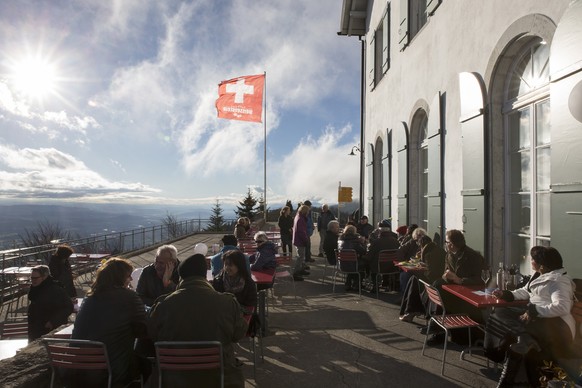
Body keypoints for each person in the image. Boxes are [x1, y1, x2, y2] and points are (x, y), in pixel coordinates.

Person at [148, 254, 248, 388]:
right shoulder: (227, 303)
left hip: (171, 379)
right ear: (204, 276)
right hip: (221, 379)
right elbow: (238, 334)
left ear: (181, 277)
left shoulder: (163, 305)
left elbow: (153, 336)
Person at [485, 246, 575, 387]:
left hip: (556, 325)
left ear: (542, 264)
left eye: (532, 259)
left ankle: (505, 383)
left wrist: (534, 311)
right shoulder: (540, 274)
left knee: (519, 341)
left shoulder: (558, 281)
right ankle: (519, 340)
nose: (529, 260)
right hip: (537, 319)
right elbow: (526, 291)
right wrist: (507, 294)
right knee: (499, 312)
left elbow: (562, 307)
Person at [72, 258, 149, 387]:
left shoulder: (89, 297)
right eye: (128, 276)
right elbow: (143, 329)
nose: (131, 279)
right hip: (111, 370)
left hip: (77, 369)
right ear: (120, 277)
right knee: (146, 366)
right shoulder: (129, 297)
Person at [399, 235, 446, 322]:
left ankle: (410, 311)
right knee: (414, 279)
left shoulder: (428, 254)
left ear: (421, 244)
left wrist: (422, 269)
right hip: (439, 278)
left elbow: (431, 273)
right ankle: (411, 310)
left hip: (435, 281)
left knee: (414, 280)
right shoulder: (437, 250)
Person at [27, 265, 74, 341]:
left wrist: (52, 321)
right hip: (35, 328)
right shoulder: (35, 288)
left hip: (49, 329)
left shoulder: (55, 289)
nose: (33, 280)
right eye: (32, 278)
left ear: (44, 276)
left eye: (36, 278)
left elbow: (68, 307)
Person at [367, 219, 400, 291]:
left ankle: (375, 285)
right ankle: (389, 284)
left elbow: (369, 256)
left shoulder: (376, 242)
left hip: (379, 267)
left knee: (371, 263)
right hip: (393, 266)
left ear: (380, 230)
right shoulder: (396, 240)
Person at [338, 224, 367, 291]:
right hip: (353, 265)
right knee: (362, 265)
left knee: (352, 264)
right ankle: (357, 284)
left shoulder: (341, 241)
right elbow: (363, 251)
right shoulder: (355, 242)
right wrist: (363, 243)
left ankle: (348, 284)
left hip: (343, 265)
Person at [292, 204, 310, 281]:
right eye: (308, 211)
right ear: (305, 212)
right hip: (300, 241)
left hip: (297, 240)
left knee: (301, 256)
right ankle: (296, 273)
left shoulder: (298, 217)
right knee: (300, 257)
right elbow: (302, 232)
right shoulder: (301, 219)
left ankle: (301, 270)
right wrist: (306, 240)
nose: (308, 213)